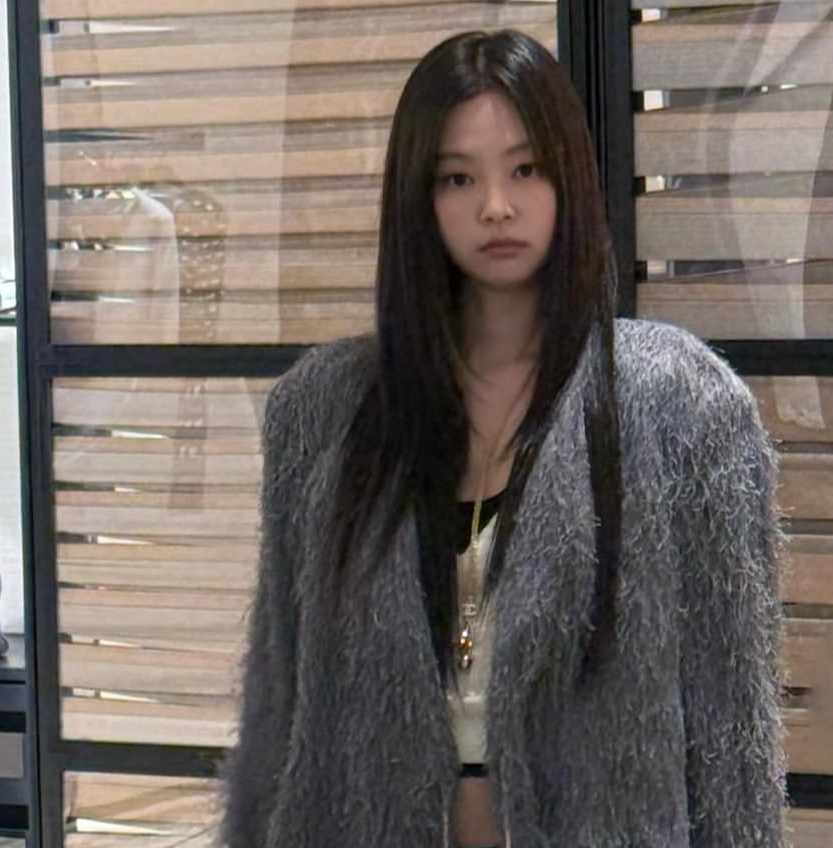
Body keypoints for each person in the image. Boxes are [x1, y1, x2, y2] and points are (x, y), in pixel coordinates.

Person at [222, 29, 785, 848]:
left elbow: (733, 727)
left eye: (525, 169)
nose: (495, 205)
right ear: (418, 197)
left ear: (569, 176)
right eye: (458, 177)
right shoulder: (326, 411)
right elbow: (276, 709)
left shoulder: (677, 403)